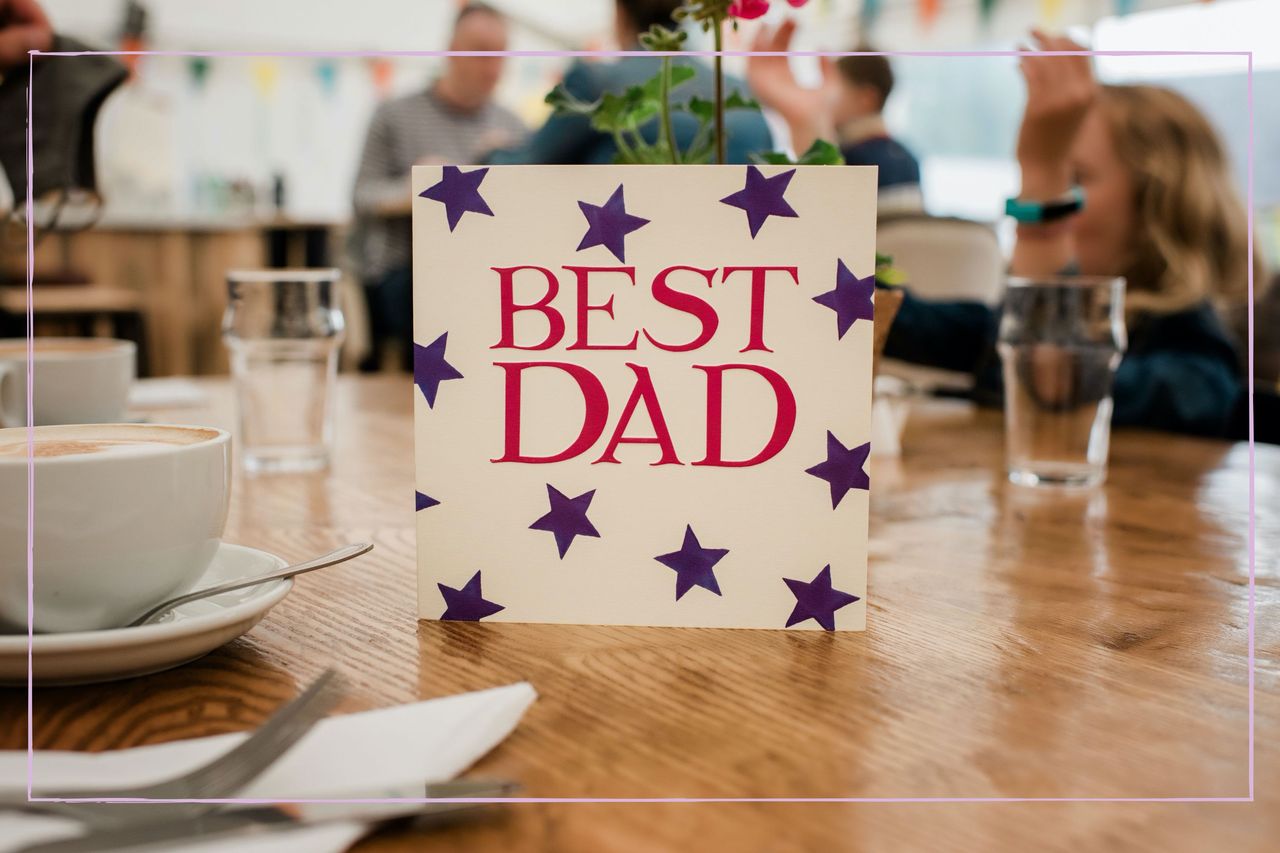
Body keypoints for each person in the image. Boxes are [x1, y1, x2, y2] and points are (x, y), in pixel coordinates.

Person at [882, 32, 1256, 439]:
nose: (1033, 207)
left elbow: (1056, 380)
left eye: (1073, 179)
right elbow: (887, 315)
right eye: (1054, 182)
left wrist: (1043, 183)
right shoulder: (1009, 325)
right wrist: (815, 142)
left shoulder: (1196, 357)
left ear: (1158, 206)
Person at [351, 2, 525, 370]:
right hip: (406, 272)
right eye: (480, 51)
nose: (492, 66)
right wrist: (416, 188)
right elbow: (363, 195)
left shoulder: (512, 126)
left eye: (500, 54)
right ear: (451, 49)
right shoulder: (394, 115)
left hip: (484, 269)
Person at [487, 0, 773, 165]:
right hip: (726, 257)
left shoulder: (595, 80)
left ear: (620, 13)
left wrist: (492, 151)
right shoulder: (742, 88)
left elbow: (529, 166)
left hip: (627, 261)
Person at [745, 22, 919, 195]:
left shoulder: (856, 159)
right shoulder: (907, 157)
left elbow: (826, 211)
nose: (825, 99)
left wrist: (807, 126)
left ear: (866, 99)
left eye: (835, 89)